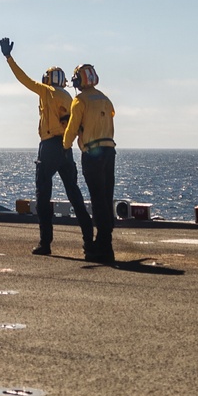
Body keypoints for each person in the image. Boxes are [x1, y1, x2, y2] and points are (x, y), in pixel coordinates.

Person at [0, 37, 93, 257]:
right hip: (66, 148)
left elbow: (23, 79)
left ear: (48, 79)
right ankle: (89, 242)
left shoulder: (46, 91)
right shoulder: (69, 96)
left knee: (43, 195)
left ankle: (45, 243)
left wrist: (8, 57)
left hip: (49, 147)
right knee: (75, 195)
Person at [62, 63, 117, 264]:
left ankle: (102, 246)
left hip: (92, 152)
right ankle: (106, 241)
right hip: (110, 150)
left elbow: (72, 128)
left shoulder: (80, 100)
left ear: (79, 80)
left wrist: (65, 146)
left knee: (97, 198)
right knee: (106, 195)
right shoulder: (105, 99)